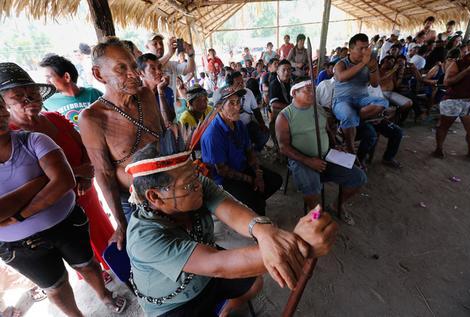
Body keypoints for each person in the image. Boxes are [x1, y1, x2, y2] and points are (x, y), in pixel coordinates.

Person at [125, 131, 338, 317]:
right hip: (175, 305)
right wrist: (297, 245)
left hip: (207, 276)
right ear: (154, 197)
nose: (198, 185)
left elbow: (231, 209)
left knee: (255, 282)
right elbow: (218, 265)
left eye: (196, 174)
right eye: (189, 184)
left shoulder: (194, 185)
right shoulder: (144, 238)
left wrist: (265, 232)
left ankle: (225, 309)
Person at [0, 95, 126, 317]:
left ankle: (105, 295)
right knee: (54, 286)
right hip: (19, 247)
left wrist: (20, 215)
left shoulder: (34, 140)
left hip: (66, 223)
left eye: (0, 107)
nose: (1, 113)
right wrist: (41, 180)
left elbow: (65, 181)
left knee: (87, 263)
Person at [1, 62, 115, 282]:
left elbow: (83, 147)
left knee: (103, 235)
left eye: (32, 93)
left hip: (85, 193)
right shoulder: (11, 138)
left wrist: (87, 174)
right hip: (50, 207)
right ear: (3, 104)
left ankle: (112, 266)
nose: (29, 99)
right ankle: (98, 280)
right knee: (77, 252)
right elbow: (28, 183)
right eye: (18, 96)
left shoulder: (54, 118)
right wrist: (76, 172)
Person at [79, 37, 168, 250]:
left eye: (134, 66)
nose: (134, 73)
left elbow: (163, 137)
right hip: (135, 203)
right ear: (99, 75)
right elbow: (104, 174)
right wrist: (120, 223)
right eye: (121, 69)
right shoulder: (92, 118)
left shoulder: (146, 94)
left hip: (170, 188)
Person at [276, 79, 367, 225]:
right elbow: (283, 147)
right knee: (313, 188)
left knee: (358, 178)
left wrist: (335, 145)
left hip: (326, 156)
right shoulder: (285, 116)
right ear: (294, 93)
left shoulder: (318, 109)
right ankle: (315, 219)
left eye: (313, 89)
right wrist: (308, 161)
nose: (312, 93)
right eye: (307, 90)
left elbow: (327, 130)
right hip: (302, 160)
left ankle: (336, 205)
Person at [201, 87, 283, 215]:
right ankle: (252, 214)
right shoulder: (213, 134)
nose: (237, 107)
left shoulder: (238, 124)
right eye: (231, 103)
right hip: (223, 180)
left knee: (275, 180)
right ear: (219, 107)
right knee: (257, 204)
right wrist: (251, 180)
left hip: (241, 167)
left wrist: (258, 175)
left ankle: (251, 205)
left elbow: (249, 151)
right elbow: (222, 171)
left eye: (238, 102)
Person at [333, 33, 389, 154]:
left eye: (366, 48)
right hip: (342, 100)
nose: (364, 52)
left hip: (362, 100)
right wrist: (363, 63)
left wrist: (373, 69)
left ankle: (345, 125)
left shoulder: (370, 64)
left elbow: (374, 84)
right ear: (350, 49)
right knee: (348, 113)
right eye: (360, 49)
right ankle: (351, 150)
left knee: (382, 102)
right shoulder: (341, 64)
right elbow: (342, 77)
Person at [434, 36, 470, 159]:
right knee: (444, 126)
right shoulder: (457, 63)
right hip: (453, 99)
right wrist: (466, 71)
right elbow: (447, 82)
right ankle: (439, 148)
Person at [40, 55, 103, 130]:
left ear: (67, 77)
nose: (46, 82)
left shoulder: (94, 93)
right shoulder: (47, 103)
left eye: (49, 77)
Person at [225, 72, 269, 152]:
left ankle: (255, 152)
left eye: (242, 82)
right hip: (235, 128)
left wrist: (262, 123)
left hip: (249, 124)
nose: (241, 85)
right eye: (238, 83)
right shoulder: (227, 96)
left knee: (265, 134)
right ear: (231, 85)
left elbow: (256, 110)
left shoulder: (248, 92)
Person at [146, 34, 196, 103]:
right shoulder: (144, 66)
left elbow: (190, 69)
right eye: (155, 44)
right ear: (147, 47)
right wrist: (169, 53)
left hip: (172, 109)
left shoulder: (170, 64)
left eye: (161, 43)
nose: (160, 46)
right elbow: (156, 65)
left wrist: (190, 55)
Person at [137, 53, 176, 124]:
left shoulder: (167, 91)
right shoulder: (136, 95)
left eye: (159, 67)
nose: (159, 72)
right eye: (153, 69)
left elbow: (168, 121)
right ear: (141, 73)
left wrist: (161, 92)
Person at [379, 56, 413, 124]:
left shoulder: (392, 72)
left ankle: (395, 115)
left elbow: (396, 85)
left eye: (393, 62)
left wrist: (400, 74)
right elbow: (380, 78)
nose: (393, 63)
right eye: (391, 61)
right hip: (379, 93)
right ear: (385, 60)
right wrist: (393, 70)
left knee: (409, 103)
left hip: (390, 93)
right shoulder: (378, 69)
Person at [268, 60, 293, 152]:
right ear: (278, 71)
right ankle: (279, 148)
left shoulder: (292, 81)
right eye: (284, 70)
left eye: (289, 69)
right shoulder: (274, 84)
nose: (286, 72)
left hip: (290, 108)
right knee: (277, 129)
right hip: (278, 110)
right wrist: (293, 107)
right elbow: (274, 104)